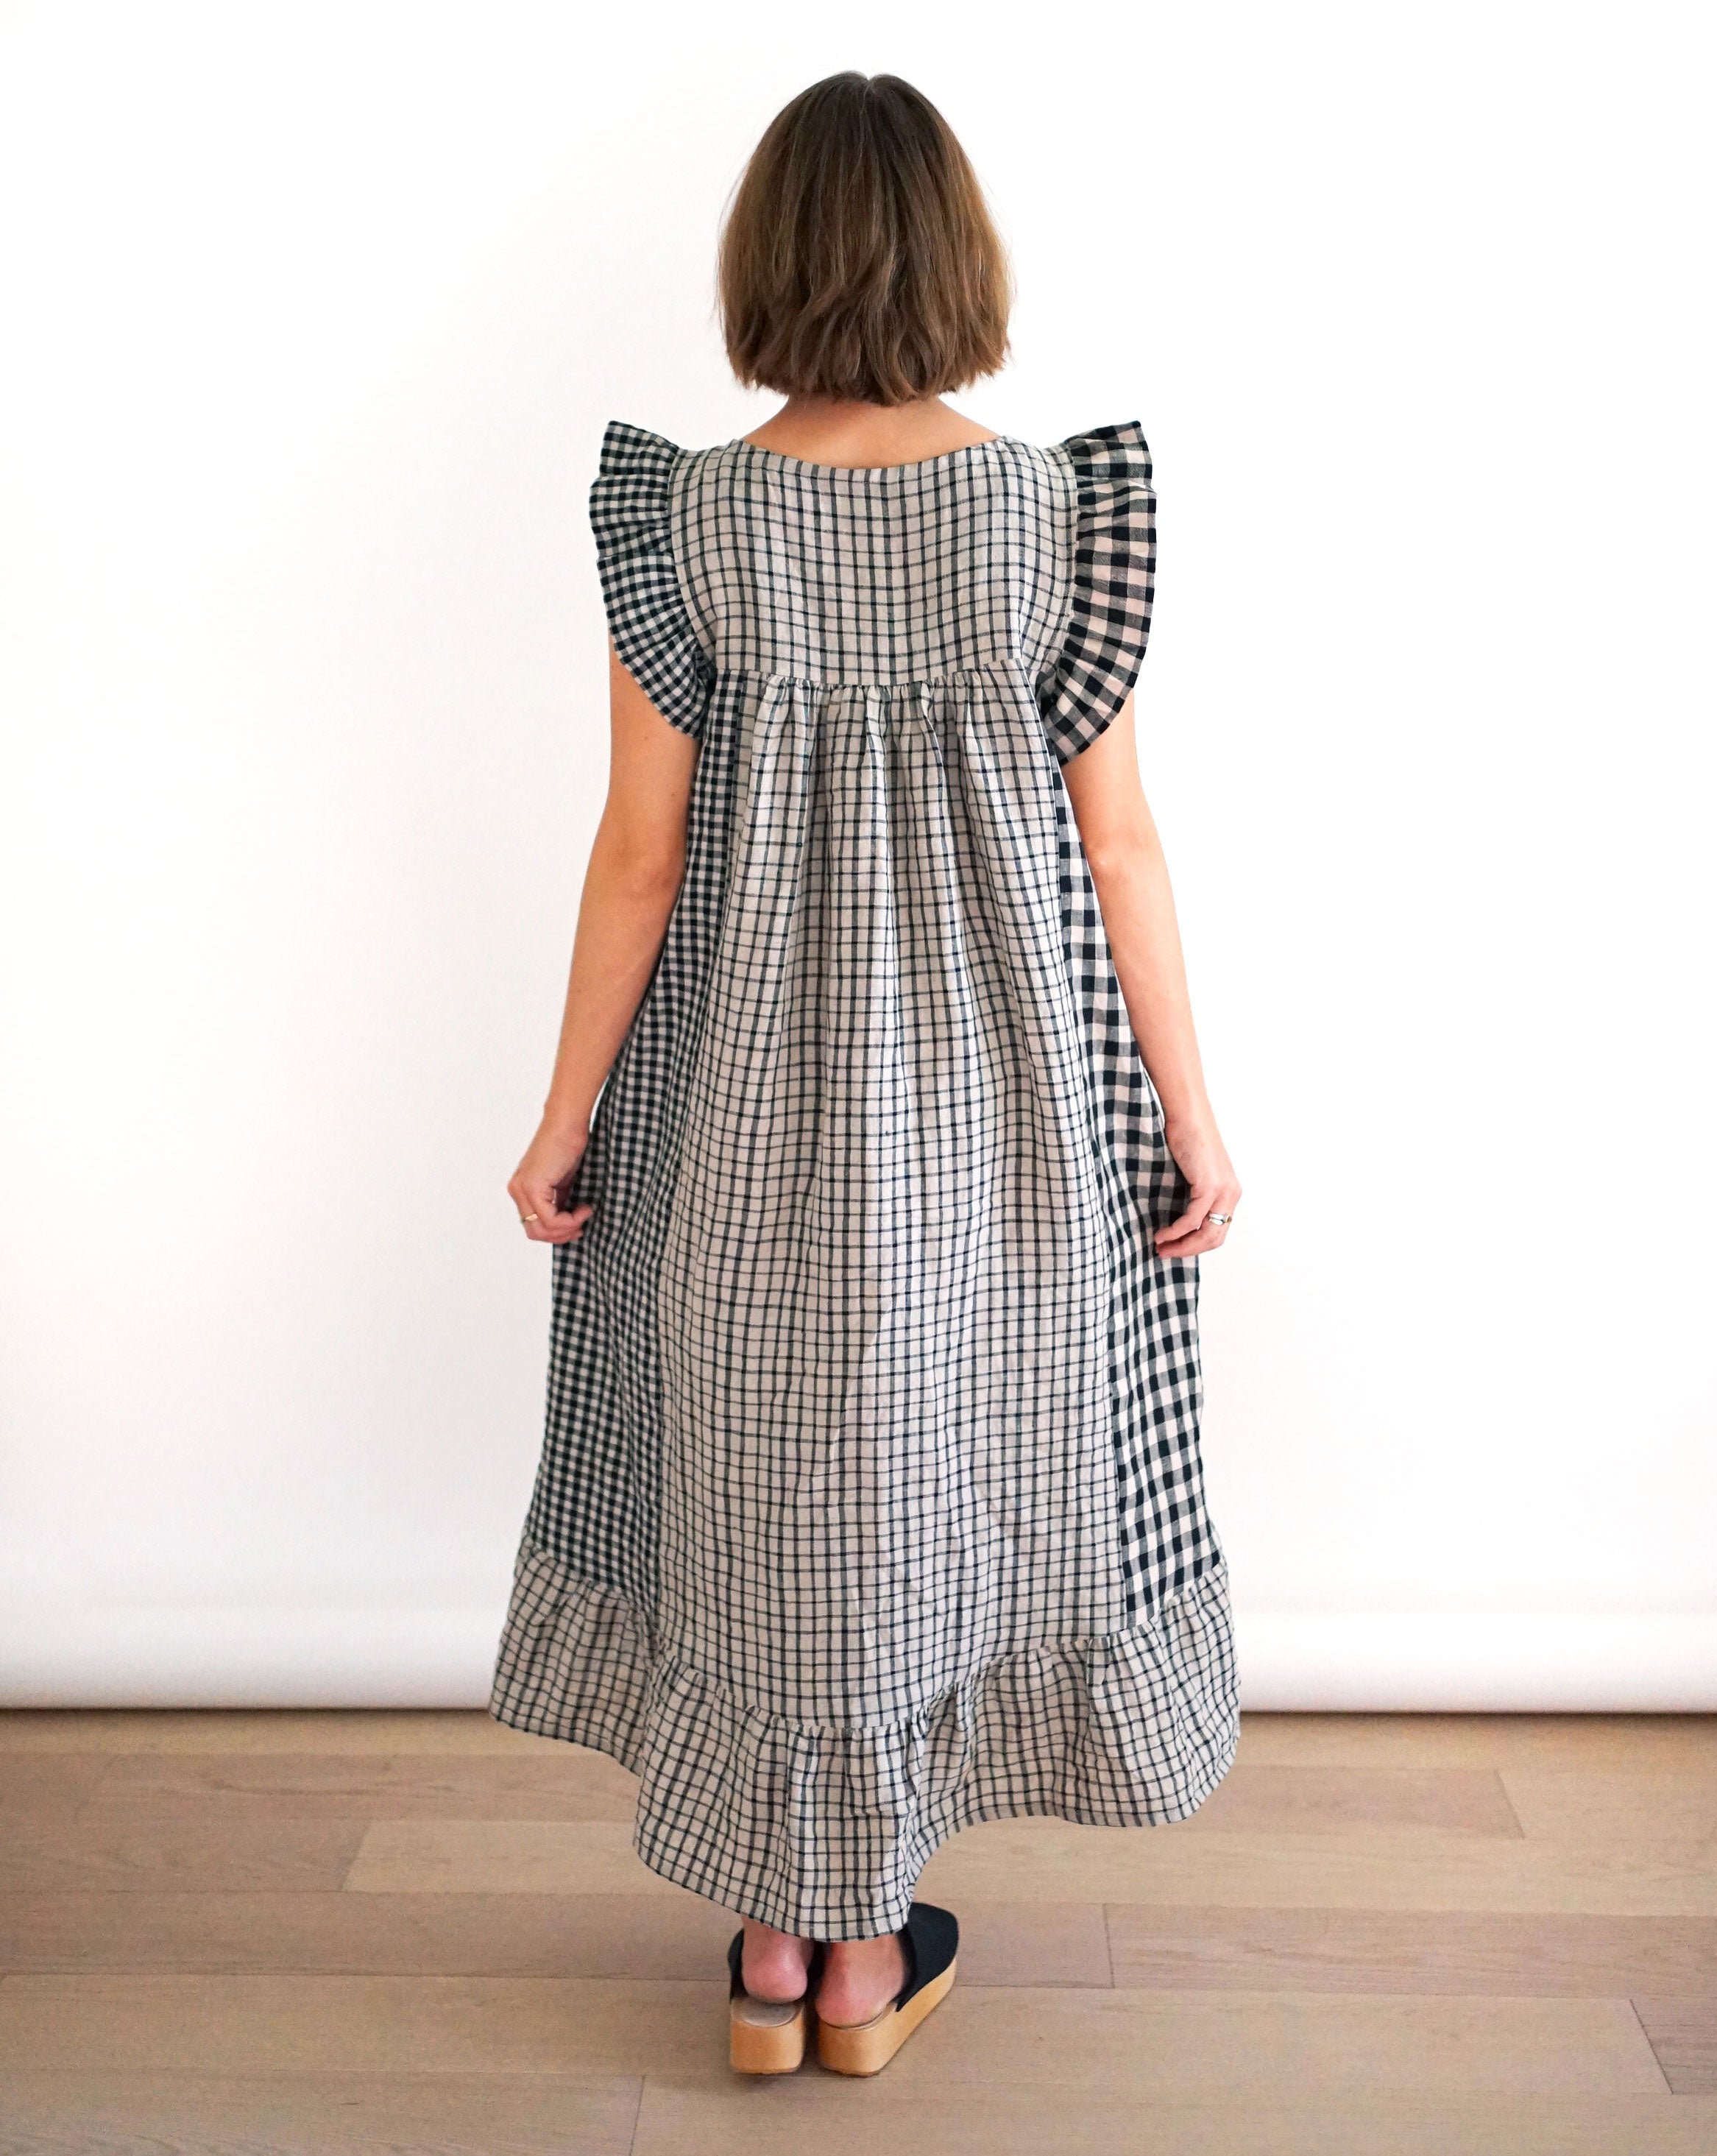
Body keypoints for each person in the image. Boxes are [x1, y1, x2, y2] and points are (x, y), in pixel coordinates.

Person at [490, 70, 1242, 2077]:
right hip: (999, 1119)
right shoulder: (1058, 512)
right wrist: (1190, 1115)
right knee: (933, 1474)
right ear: (961, 264)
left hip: (741, 1111)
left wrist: (562, 1123)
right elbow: (1122, 847)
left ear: (766, 265)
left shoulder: (685, 515)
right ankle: (864, 1955)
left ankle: (773, 1948)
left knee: (769, 1477)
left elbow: (639, 853)